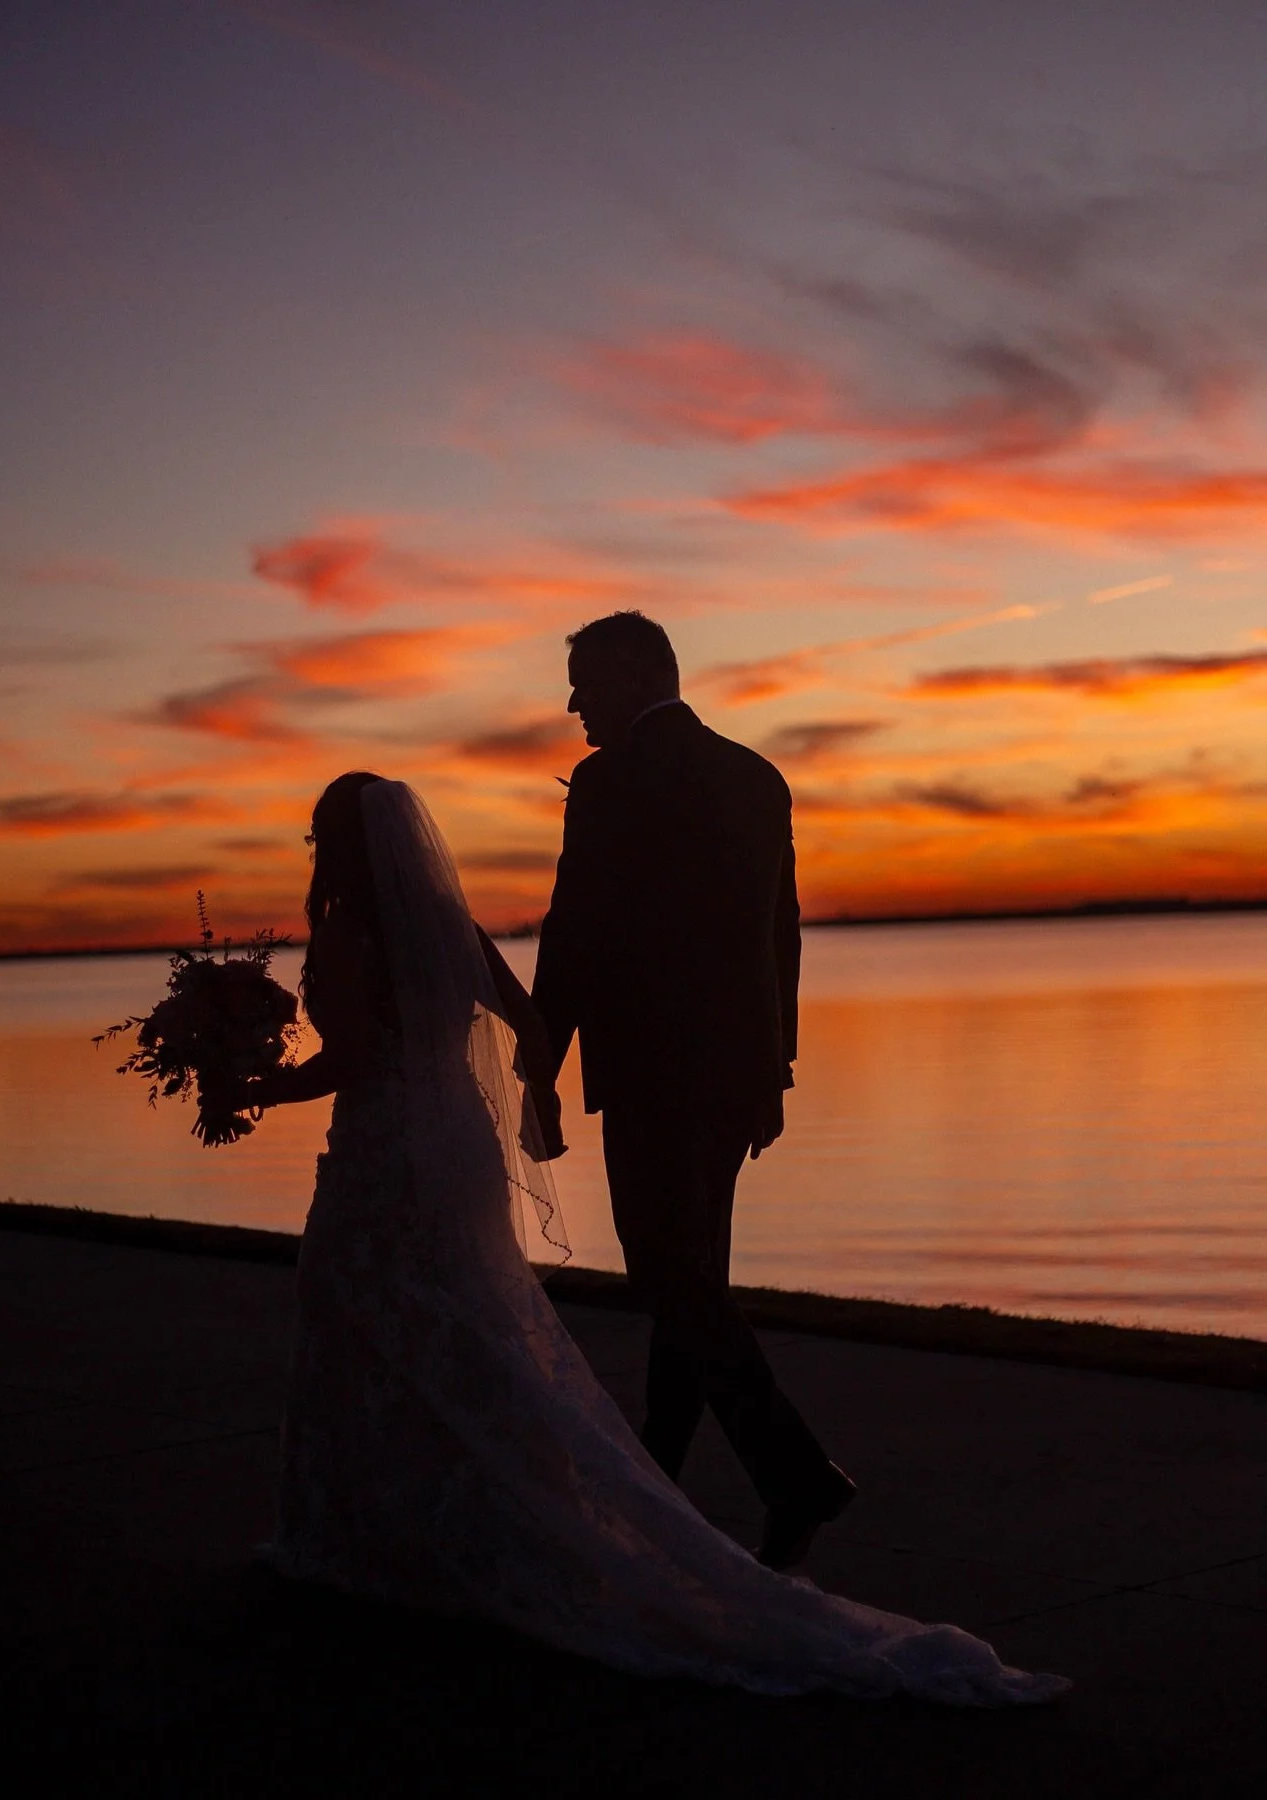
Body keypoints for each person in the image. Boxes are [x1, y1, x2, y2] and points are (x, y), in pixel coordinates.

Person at [237, 769, 1067, 1705]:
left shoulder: (351, 934)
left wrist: (250, 1086)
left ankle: (380, 1530)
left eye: (318, 838)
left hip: (386, 1155)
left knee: (370, 1323)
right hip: (456, 1146)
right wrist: (535, 1093)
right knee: (468, 1328)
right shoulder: (449, 931)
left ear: (341, 847)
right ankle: (481, 1517)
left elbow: (347, 1063)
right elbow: (533, 1021)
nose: (314, 854)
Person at [532, 611, 848, 1566]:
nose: (574, 703)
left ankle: (796, 1475)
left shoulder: (609, 781)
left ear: (633, 674)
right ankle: (658, 1484)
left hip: (653, 1077)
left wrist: (535, 1062)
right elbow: (778, 940)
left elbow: (577, 929)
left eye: (585, 680)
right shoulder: (756, 776)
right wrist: (776, 1070)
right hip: (737, 1078)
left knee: (671, 1280)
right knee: (691, 1284)